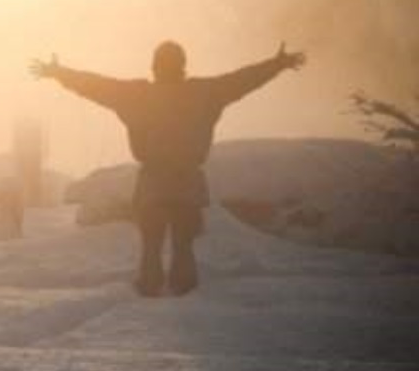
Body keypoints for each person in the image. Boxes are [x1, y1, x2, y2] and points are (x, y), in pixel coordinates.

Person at [30, 41, 306, 297]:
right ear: (183, 65)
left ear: (154, 66)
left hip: (153, 182)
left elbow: (94, 85)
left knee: (151, 245)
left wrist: (58, 73)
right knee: (183, 245)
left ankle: (150, 288)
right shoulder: (204, 93)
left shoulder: (136, 95)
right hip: (187, 181)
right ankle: (184, 292)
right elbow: (244, 80)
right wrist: (277, 64)